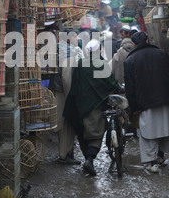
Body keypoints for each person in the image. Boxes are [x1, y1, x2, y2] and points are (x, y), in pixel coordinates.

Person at [124, 31, 169, 173]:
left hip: (145, 102)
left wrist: (134, 106)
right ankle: (160, 154)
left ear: (134, 44)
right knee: (163, 128)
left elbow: (130, 87)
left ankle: (151, 160)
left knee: (148, 131)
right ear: (147, 40)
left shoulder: (130, 60)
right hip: (165, 98)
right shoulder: (162, 54)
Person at [63, 39, 119, 176]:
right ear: (99, 50)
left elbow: (74, 84)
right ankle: (90, 160)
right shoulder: (101, 64)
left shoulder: (80, 63)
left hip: (79, 104)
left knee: (82, 134)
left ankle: (88, 158)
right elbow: (111, 83)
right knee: (96, 134)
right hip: (96, 105)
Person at [51, 30, 83, 164]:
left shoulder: (62, 52)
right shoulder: (68, 56)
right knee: (67, 124)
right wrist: (73, 98)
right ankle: (65, 155)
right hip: (65, 94)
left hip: (60, 92)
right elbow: (67, 79)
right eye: (75, 36)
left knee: (65, 123)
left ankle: (67, 153)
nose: (77, 38)